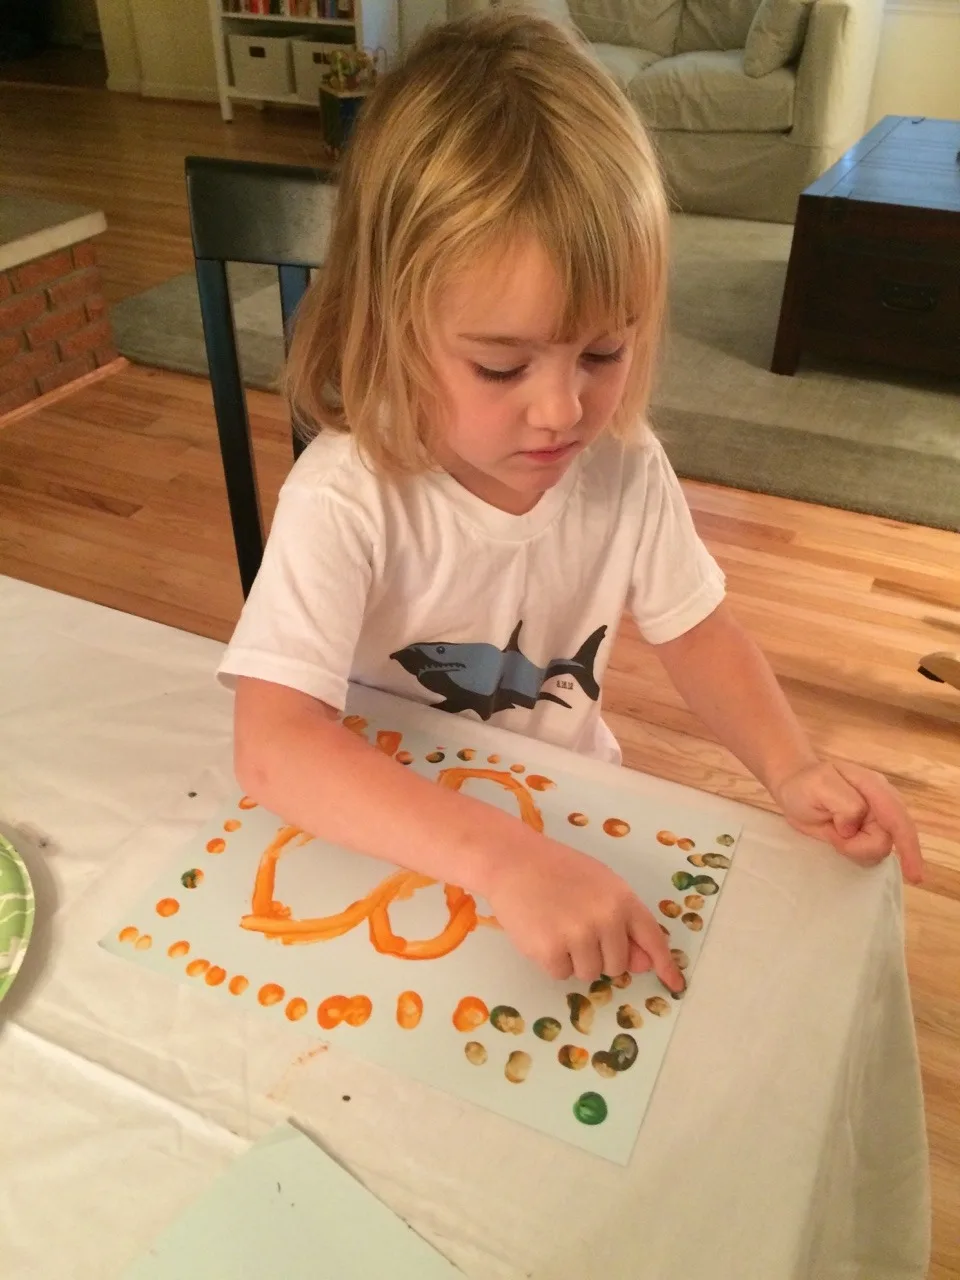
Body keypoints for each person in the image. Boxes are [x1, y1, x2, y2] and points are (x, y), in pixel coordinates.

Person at [219, 9, 924, 995]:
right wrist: (502, 858)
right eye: (501, 365)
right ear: (390, 324)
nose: (563, 409)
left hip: (567, 813)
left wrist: (792, 764)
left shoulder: (627, 466)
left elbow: (699, 629)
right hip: (392, 833)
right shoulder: (347, 496)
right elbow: (275, 744)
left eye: (604, 351)